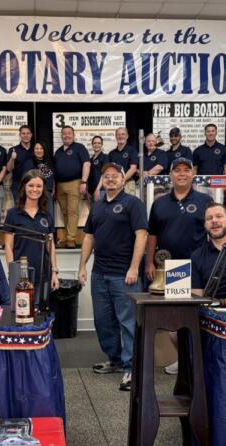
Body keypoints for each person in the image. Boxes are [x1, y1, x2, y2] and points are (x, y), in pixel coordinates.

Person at [78, 162, 148, 392]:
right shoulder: (97, 206)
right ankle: (115, 360)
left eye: (115, 176)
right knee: (103, 321)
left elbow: (141, 235)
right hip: (100, 274)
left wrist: (134, 268)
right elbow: (89, 237)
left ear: (123, 179)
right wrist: (82, 266)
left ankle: (131, 367)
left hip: (124, 275)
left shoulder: (133, 204)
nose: (110, 179)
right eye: (106, 176)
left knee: (127, 323)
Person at [146, 157, 212, 375]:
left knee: (201, 315)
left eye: (186, 170)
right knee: (176, 319)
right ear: (170, 175)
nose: (182, 174)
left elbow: (215, 231)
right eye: (177, 170)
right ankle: (183, 358)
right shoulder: (159, 203)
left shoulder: (205, 201)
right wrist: (149, 261)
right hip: (172, 268)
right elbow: (152, 235)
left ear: (192, 174)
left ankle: (200, 359)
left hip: (200, 266)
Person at [3, 170, 59, 302]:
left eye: (39, 186)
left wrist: (54, 272)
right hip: (21, 276)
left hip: (43, 275)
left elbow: (51, 246)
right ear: (24, 187)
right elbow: (8, 246)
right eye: (31, 185)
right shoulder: (12, 214)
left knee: (41, 316)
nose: (35, 189)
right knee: (22, 316)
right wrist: (13, 272)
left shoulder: (47, 216)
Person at [53, 125, 90, 248]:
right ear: (62, 135)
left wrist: (84, 182)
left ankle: (71, 239)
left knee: (72, 211)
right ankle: (69, 235)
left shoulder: (79, 148)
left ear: (73, 135)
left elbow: (86, 164)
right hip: (59, 185)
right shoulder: (58, 152)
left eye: (69, 133)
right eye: (64, 133)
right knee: (64, 212)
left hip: (75, 183)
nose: (67, 135)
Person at [6, 125, 34, 201]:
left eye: (28, 133)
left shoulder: (36, 149)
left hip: (33, 186)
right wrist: (12, 158)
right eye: (23, 133)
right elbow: (9, 169)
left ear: (31, 135)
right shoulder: (13, 150)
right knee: (19, 211)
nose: (26, 135)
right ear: (20, 135)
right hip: (18, 186)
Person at [108, 127, 138, 195]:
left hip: (128, 183)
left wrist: (122, 180)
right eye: (118, 134)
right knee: (114, 205)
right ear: (116, 136)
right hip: (114, 184)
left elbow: (133, 169)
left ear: (127, 136)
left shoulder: (132, 151)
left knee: (129, 205)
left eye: (123, 134)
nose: (120, 136)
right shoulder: (111, 154)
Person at [32, 141, 56, 217]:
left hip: (48, 192)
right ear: (33, 150)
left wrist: (54, 189)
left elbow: (53, 176)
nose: (39, 150)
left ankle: (50, 229)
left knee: (50, 215)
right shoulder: (30, 162)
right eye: (37, 148)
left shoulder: (49, 162)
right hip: (37, 192)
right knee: (38, 215)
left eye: (41, 148)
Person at [88, 135, 108, 203]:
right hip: (91, 192)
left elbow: (104, 174)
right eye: (95, 143)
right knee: (93, 212)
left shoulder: (105, 157)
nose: (96, 145)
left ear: (102, 145)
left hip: (100, 191)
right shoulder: (90, 160)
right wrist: (87, 191)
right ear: (92, 144)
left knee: (100, 212)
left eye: (99, 143)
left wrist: (98, 189)